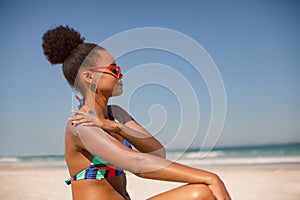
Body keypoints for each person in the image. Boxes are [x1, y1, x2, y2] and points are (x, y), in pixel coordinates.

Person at [42, 25, 231, 200]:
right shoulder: (81, 125)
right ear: (89, 76)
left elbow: (157, 153)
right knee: (205, 190)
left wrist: (117, 127)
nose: (120, 75)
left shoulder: (116, 114)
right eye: (113, 69)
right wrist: (211, 177)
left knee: (203, 192)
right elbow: (137, 164)